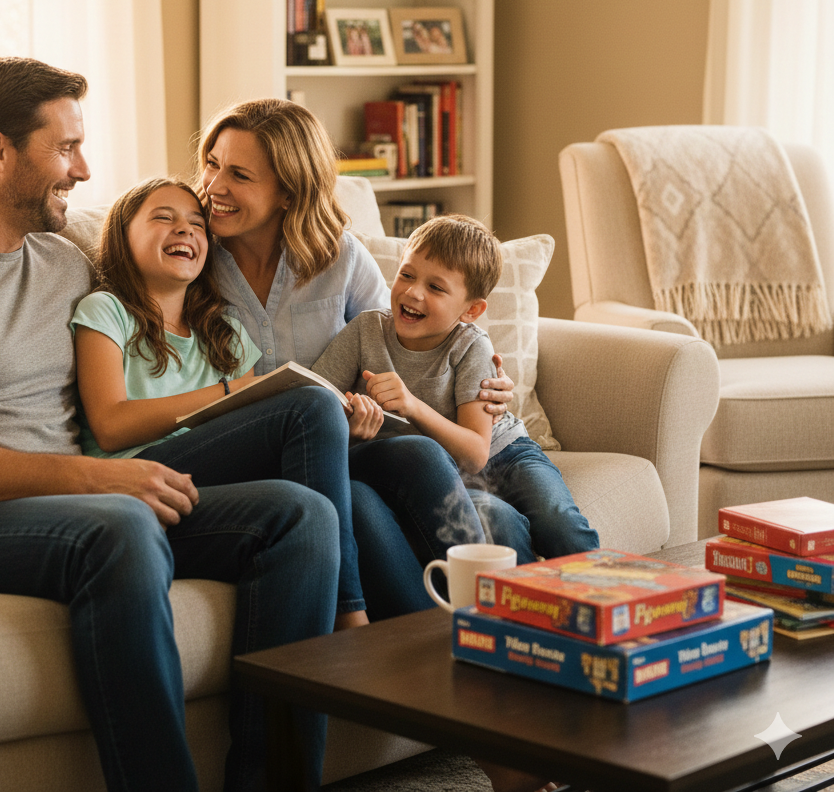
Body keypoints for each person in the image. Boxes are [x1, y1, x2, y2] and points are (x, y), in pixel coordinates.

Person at [0, 58, 342, 792]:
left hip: (80, 503)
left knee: (300, 515)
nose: (84, 167)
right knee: (121, 524)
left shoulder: (65, 263)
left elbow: (166, 297)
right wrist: (104, 477)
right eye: (65, 148)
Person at [195, 98, 516, 620]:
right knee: (363, 502)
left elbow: (403, 341)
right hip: (249, 450)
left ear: (287, 191)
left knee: (417, 459)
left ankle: (480, 620)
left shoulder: (338, 257)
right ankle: (400, 635)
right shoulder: (193, 256)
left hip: (341, 447)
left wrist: (489, 382)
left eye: (239, 174)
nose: (213, 185)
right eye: (212, 163)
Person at [71, 175, 368, 628]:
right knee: (312, 405)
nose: (185, 230)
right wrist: (229, 391)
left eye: (196, 224)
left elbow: (246, 437)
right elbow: (111, 425)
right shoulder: (106, 310)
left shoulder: (225, 333)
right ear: (122, 235)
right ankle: (351, 616)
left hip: (209, 481)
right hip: (136, 471)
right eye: (163, 218)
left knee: (324, 505)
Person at [312, 213, 600, 566]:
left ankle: (612, 603)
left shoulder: (470, 346)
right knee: (501, 527)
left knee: (561, 524)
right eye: (406, 274)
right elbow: (316, 396)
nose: (413, 292)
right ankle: (522, 608)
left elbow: (476, 453)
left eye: (436, 287)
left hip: (505, 455)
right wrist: (352, 427)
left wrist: (412, 405)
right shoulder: (366, 331)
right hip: (440, 474)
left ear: (472, 310)